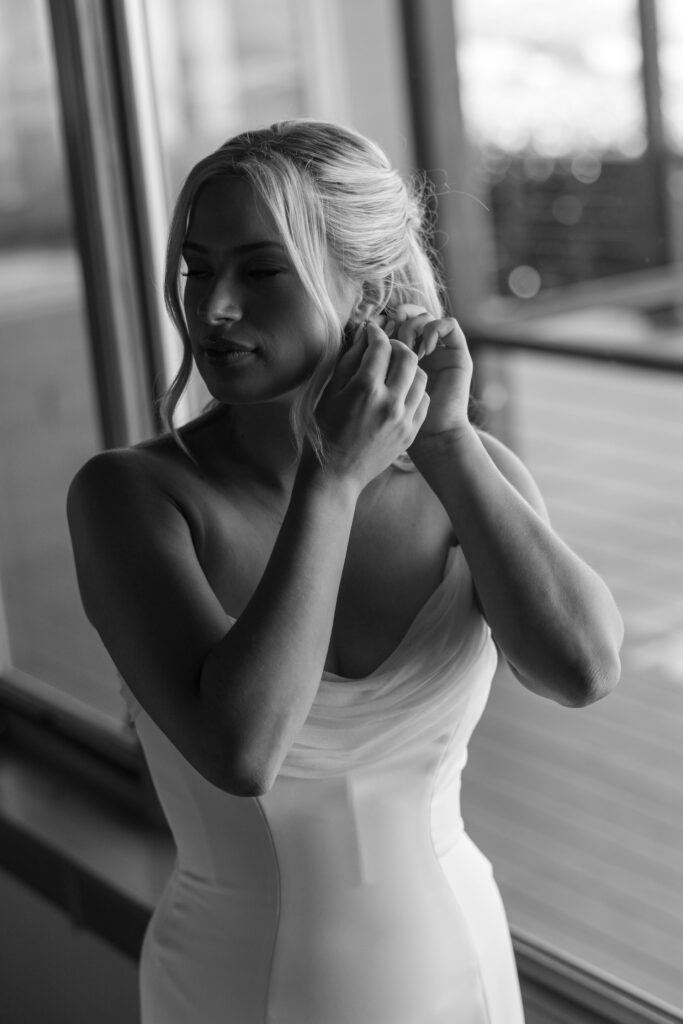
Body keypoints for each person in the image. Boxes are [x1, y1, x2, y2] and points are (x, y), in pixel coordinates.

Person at [67, 119, 623, 1024]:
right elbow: (241, 752)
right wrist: (331, 480)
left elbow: (583, 670)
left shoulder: (464, 472)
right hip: (238, 984)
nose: (212, 308)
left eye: (259, 270)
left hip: (457, 963)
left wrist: (443, 443)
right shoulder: (130, 498)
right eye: (197, 268)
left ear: (361, 283)